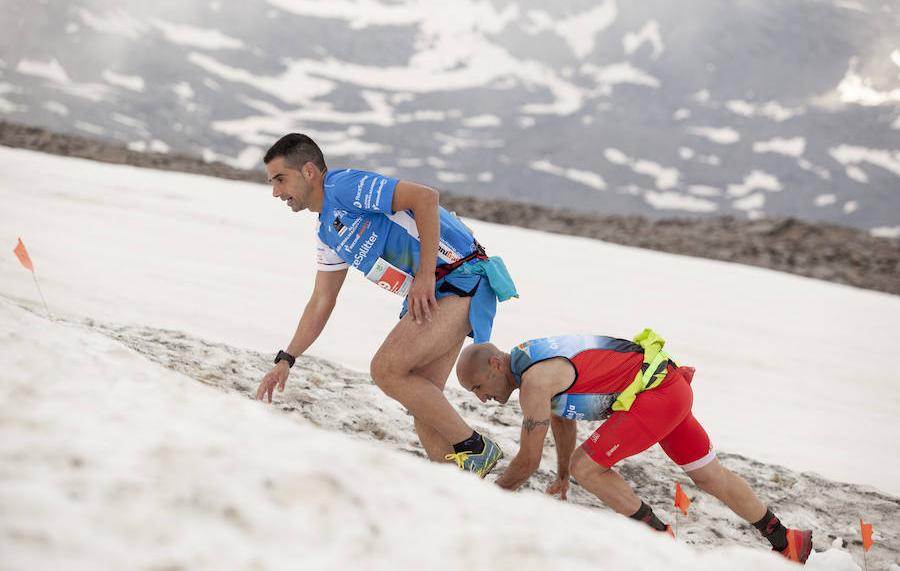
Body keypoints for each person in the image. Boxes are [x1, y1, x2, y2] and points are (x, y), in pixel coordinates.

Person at [255, 133, 517, 478]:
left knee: (386, 370)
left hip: (462, 278)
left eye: (280, 179)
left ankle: (476, 448)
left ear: (308, 171)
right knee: (424, 402)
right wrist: (286, 359)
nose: (276, 192)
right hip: (438, 291)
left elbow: (425, 197)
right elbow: (321, 301)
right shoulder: (327, 233)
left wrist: (424, 275)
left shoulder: (341, 187)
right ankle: (455, 484)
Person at [455, 330, 814, 564]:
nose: (482, 398)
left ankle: (660, 540)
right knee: (711, 476)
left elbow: (528, 461)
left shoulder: (534, 381)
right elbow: (562, 416)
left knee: (586, 467)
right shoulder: (530, 361)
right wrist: (562, 475)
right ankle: (786, 540)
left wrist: (486, 499)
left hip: (656, 396)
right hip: (668, 388)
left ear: (495, 364)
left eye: (478, 387)